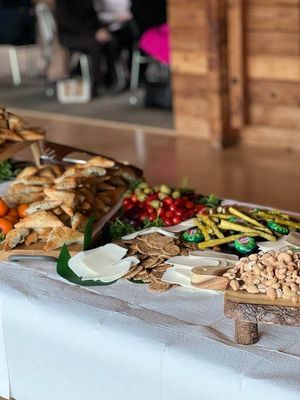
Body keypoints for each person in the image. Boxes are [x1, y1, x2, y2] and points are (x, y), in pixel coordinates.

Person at [55, 0, 112, 95]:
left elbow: (93, 16)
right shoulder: (62, 2)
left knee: (111, 42)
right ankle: (95, 84)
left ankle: (110, 80)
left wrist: (101, 30)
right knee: (95, 45)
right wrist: (94, 34)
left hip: (88, 33)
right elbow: (67, 22)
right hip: (70, 35)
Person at [94, 0, 138, 88]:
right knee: (112, 43)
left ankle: (133, 76)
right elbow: (96, 14)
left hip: (125, 26)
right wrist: (116, 17)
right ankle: (108, 78)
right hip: (104, 28)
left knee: (133, 41)